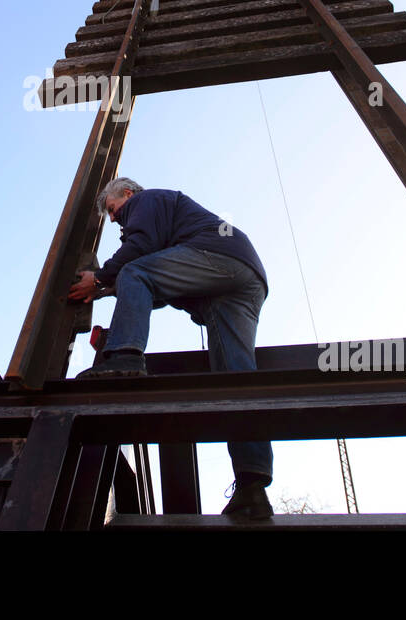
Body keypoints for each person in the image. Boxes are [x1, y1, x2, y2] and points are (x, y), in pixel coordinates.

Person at [67, 177, 274, 520]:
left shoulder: (146, 202)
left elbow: (140, 251)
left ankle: (123, 358)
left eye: (114, 210)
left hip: (219, 259)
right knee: (236, 379)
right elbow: (155, 285)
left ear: (128, 194)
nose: (116, 219)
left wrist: (101, 278)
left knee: (134, 271)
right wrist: (105, 290)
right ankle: (252, 486)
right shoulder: (169, 218)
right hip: (245, 279)